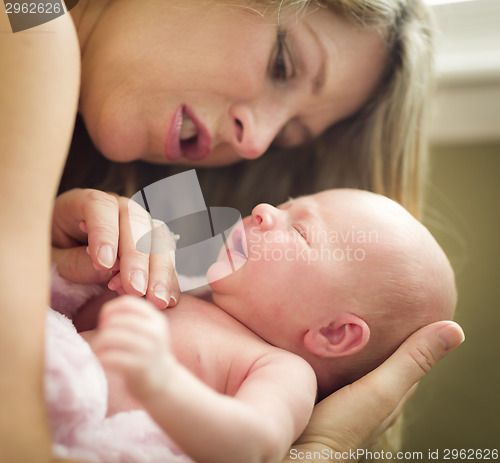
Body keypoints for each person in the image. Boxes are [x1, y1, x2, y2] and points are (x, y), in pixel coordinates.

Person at [0, 0, 465, 461]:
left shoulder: (260, 353)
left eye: (286, 136)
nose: (256, 141)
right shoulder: (35, 21)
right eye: (282, 63)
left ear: (335, 333)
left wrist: (44, 253)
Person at [47, 188, 457, 463]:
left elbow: (255, 445)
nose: (265, 212)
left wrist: (162, 383)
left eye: (298, 229)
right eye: (288, 203)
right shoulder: (186, 288)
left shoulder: (280, 371)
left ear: (334, 333)